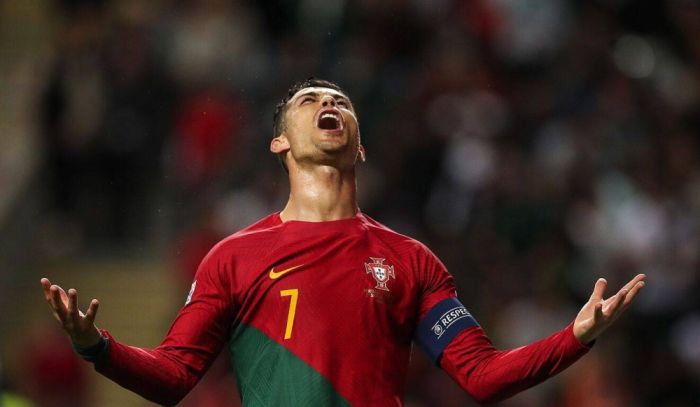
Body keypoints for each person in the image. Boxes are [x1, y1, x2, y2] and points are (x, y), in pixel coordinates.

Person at [40, 78, 646, 406]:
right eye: (310, 100)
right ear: (279, 142)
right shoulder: (232, 258)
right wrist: (97, 346)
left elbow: (481, 376)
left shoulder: (411, 261)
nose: (328, 103)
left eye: (340, 102)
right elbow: (174, 376)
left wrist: (575, 337)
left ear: (359, 145)